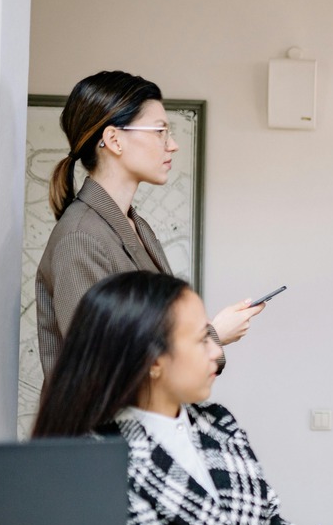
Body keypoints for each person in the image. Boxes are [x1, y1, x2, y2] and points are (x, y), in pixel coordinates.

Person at [32, 271, 333, 525]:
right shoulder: (95, 466)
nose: (218, 351)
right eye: (203, 340)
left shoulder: (220, 426)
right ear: (153, 361)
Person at [36, 70, 262, 378]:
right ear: (114, 139)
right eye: (160, 131)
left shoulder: (134, 224)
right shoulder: (81, 237)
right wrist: (213, 336)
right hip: (106, 426)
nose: (172, 145)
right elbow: (102, 367)